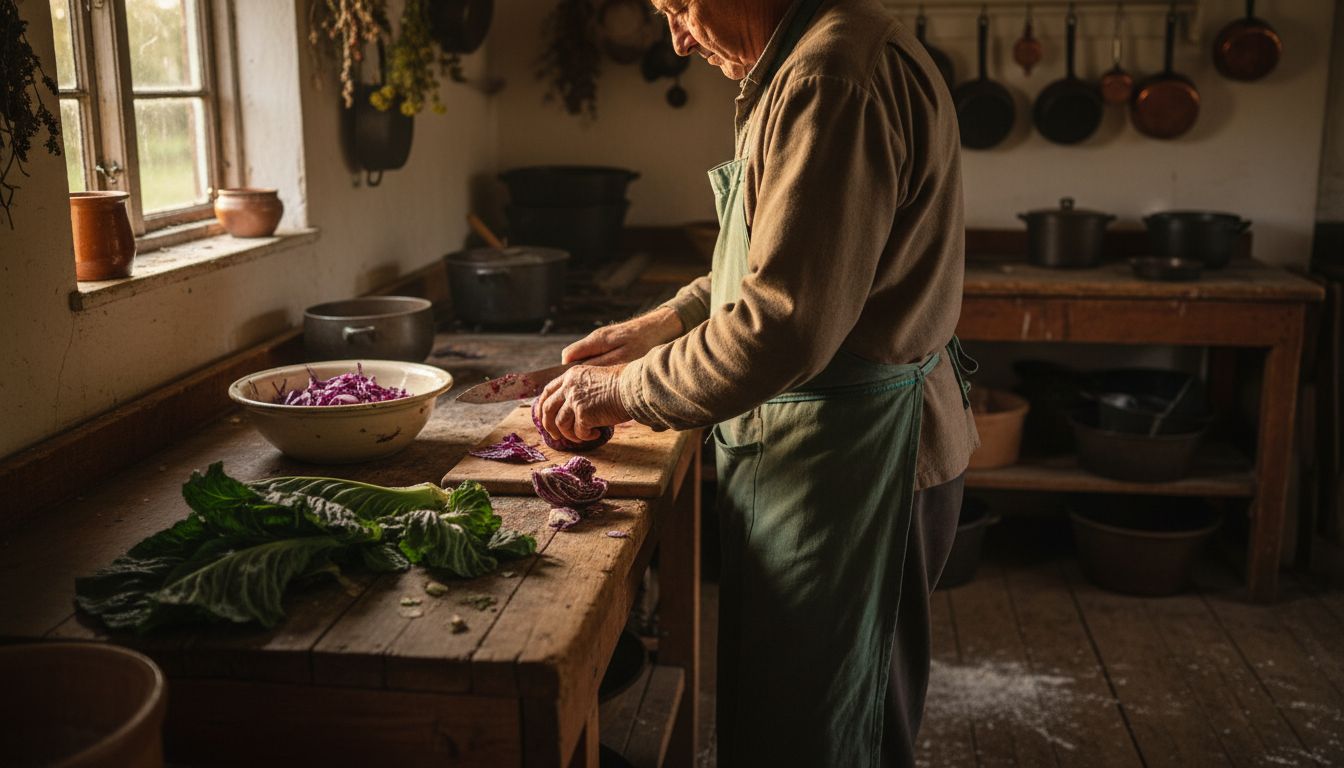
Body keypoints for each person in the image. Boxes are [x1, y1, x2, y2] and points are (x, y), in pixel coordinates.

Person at [534, 0, 978, 763]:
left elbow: (783, 325)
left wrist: (619, 391)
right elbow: (775, 261)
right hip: (822, 464)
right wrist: (663, 324)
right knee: (794, 713)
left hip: (857, 468)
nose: (675, 36)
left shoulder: (829, 77)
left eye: (680, 6)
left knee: (828, 736)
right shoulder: (803, 60)